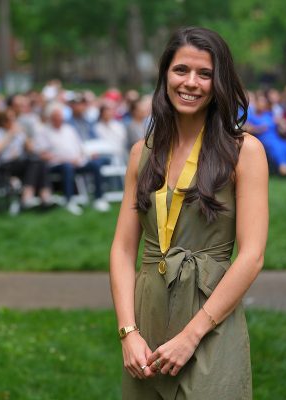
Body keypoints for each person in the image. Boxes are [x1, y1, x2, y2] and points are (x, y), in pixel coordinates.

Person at [109, 27, 268, 399]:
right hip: (146, 318)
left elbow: (252, 256)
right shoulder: (141, 152)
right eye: (181, 70)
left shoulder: (244, 151)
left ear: (220, 82)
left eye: (205, 74)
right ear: (165, 74)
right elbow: (121, 249)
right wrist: (128, 333)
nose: (191, 83)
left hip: (209, 316)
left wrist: (191, 335)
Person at [0, 109, 53, 209]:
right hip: (6, 164)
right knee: (34, 162)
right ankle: (28, 195)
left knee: (40, 162)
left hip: (22, 162)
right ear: (3, 121)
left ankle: (44, 196)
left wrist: (25, 136)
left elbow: (31, 149)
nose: (13, 121)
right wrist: (10, 134)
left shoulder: (19, 132)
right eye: (10, 119)